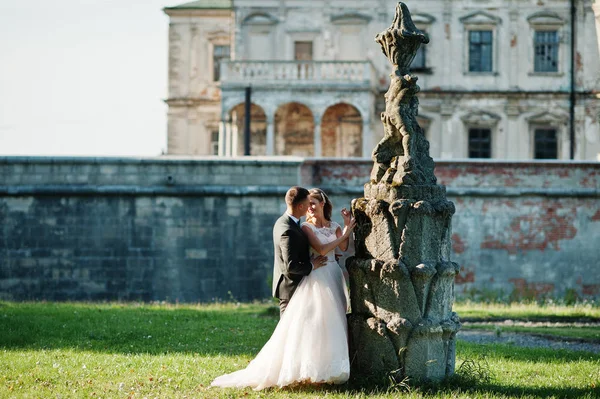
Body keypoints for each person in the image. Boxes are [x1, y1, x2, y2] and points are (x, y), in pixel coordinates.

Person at [210, 186, 355, 391]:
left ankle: (332, 370)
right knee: (314, 324)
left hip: (334, 275)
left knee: (335, 321)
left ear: (323, 204)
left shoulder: (333, 225)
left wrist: (347, 226)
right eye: (308, 204)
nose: (310, 208)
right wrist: (344, 234)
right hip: (316, 277)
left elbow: (342, 247)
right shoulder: (304, 227)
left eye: (314, 203)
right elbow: (322, 249)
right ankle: (310, 371)